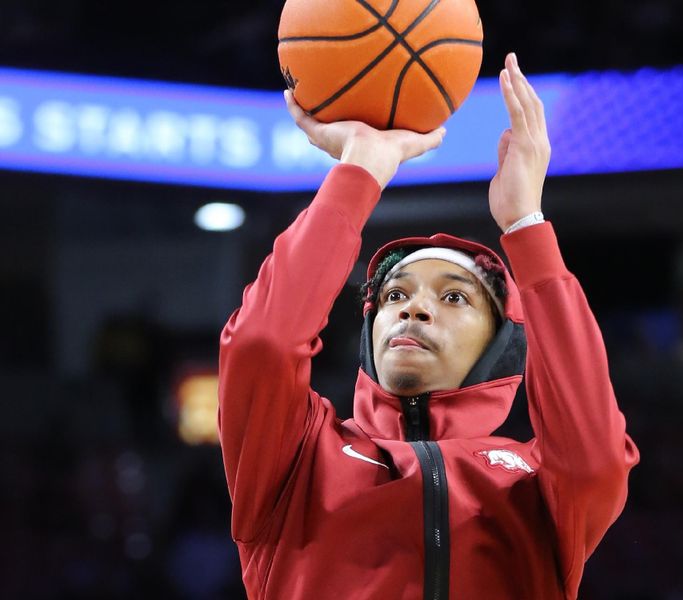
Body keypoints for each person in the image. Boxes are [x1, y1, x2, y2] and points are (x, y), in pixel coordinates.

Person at [218, 52, 640, 600]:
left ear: (500, 347)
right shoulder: (296, 462)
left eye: (454, 297)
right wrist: (360, 171)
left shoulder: (535, 482)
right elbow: (263, 343)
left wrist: (525, 225)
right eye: (394, 294)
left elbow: (595, 454)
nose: (411, 310)